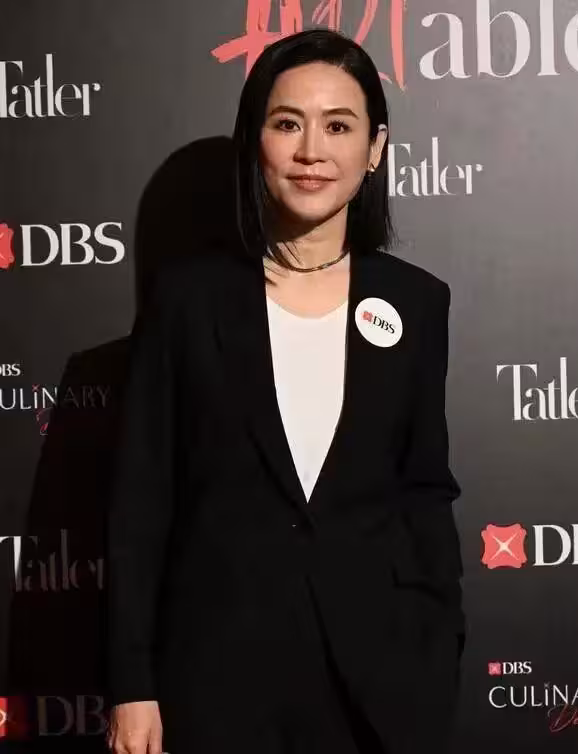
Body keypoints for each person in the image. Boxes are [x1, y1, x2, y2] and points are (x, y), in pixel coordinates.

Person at [106, 28, 465, 754]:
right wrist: (131, 683)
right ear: (256, 142)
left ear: (375, 148)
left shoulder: (417, 303)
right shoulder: (187, 303)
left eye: (339, 126)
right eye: (287, 123)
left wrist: (438, 647)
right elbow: (141, 503)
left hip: (378, 686)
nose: (311, 151)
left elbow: (424, 491)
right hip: (216, 681)